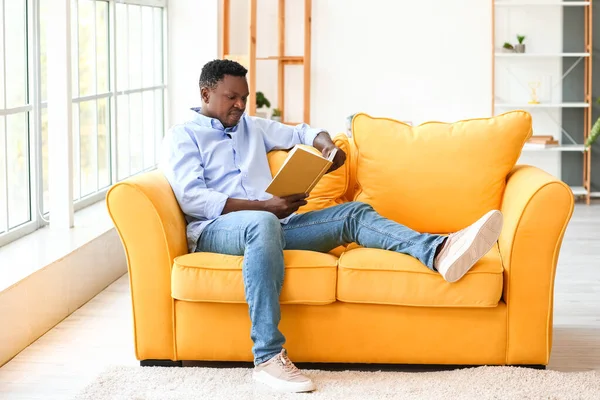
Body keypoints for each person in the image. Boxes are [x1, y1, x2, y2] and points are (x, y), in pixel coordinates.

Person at [160, 59, 504, 393]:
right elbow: (193, 198)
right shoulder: (183, 136)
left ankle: (438, 251)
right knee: (263, 222)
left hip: (273, 225)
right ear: (205, 95)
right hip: (217, 229)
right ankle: (267, 358)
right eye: (231, 97)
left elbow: (302, 131)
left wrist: (327, 147)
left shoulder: (253, 126)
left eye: (244, 97)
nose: (240, 104)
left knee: (352, 214)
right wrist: (265, 206)